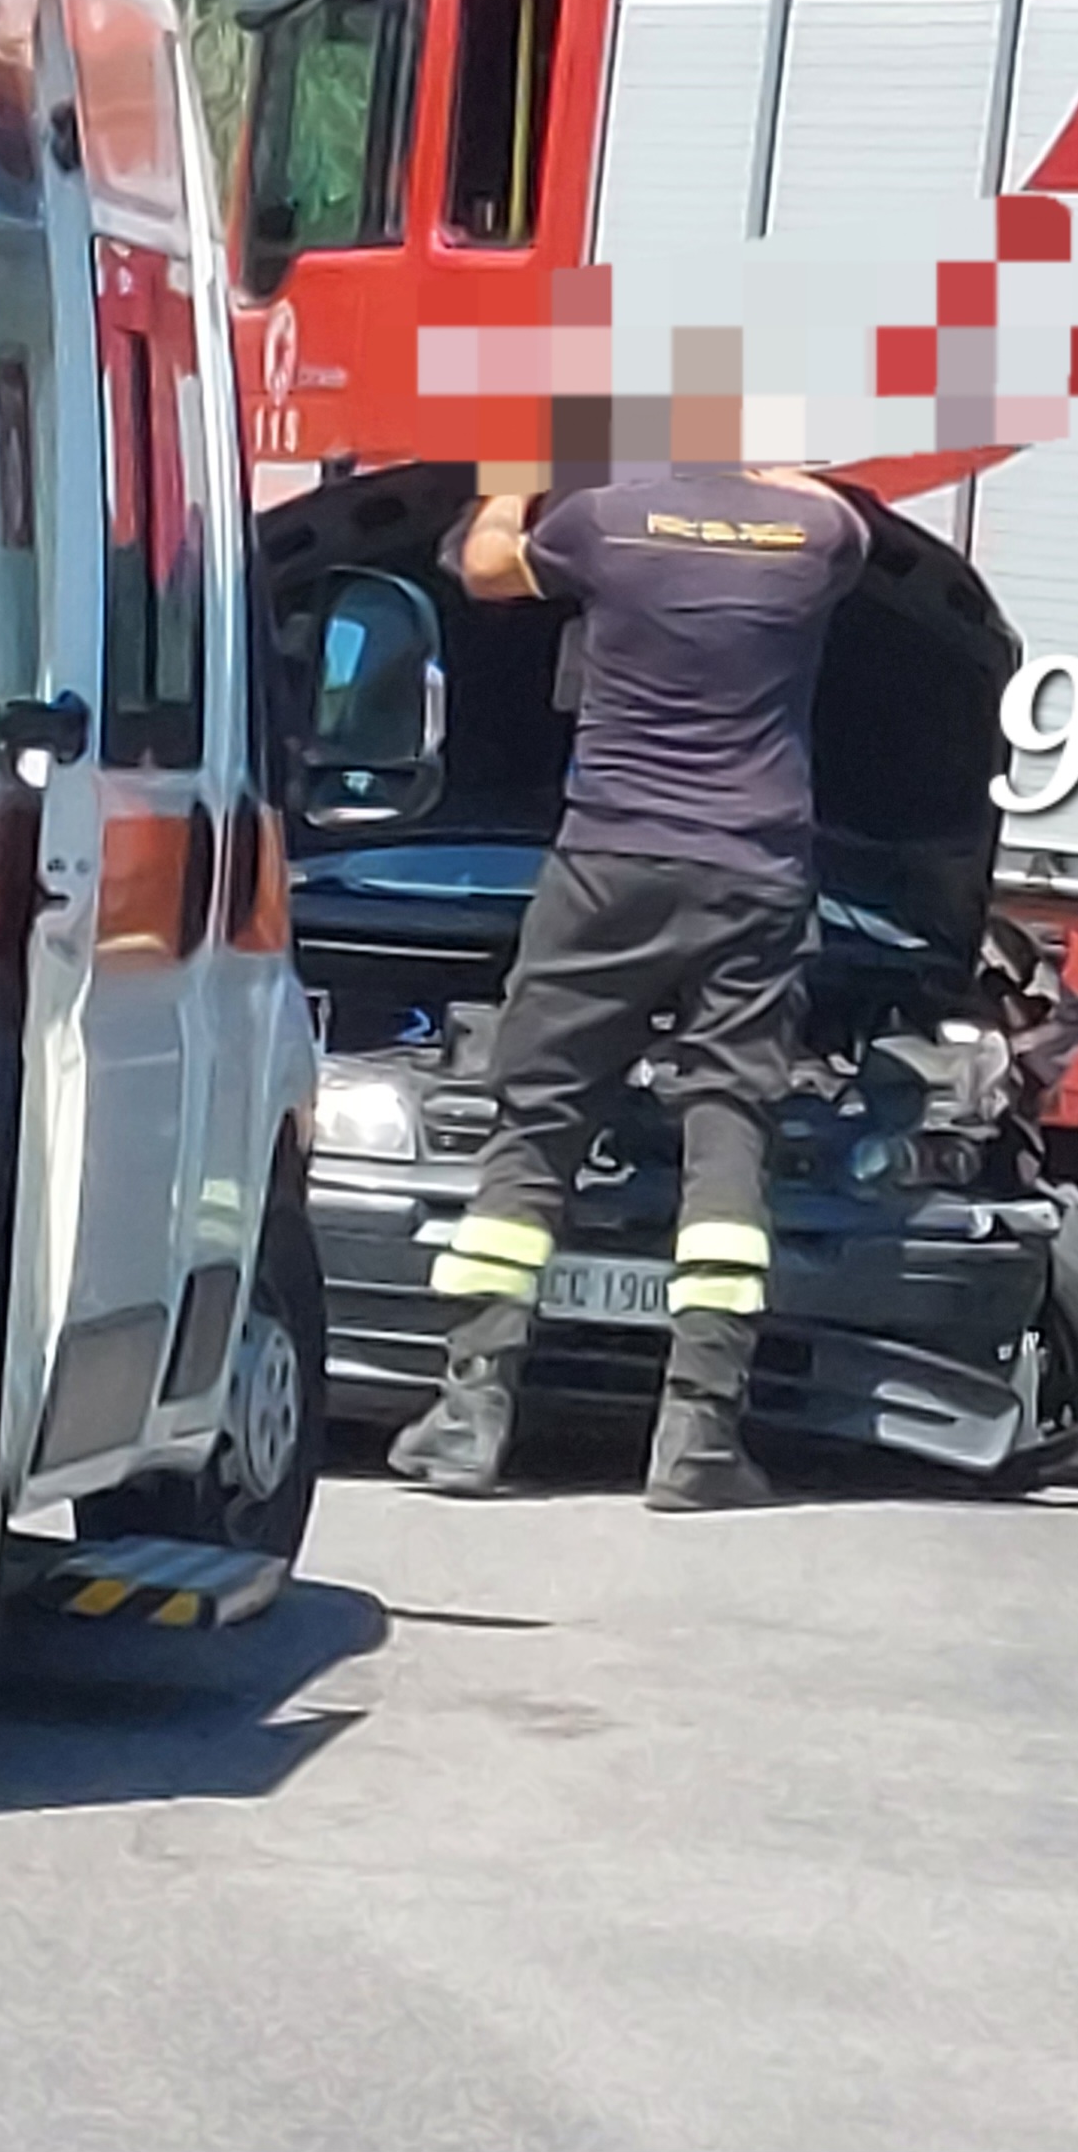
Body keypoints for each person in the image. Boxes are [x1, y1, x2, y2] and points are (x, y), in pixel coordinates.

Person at [388, 466, 866, 1511]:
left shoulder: (605, 517)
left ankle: (471, 1413)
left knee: (538, 1117)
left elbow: (480, 570)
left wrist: (513, 485)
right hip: (753, 870)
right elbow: (817, 507)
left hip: (609, 860)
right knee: (729, 1122)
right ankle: (698, 1431)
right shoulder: (822, 529)